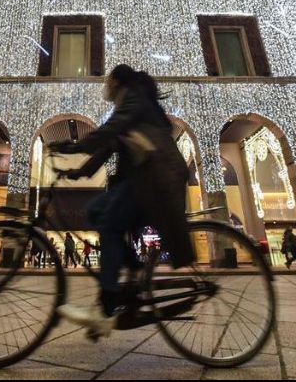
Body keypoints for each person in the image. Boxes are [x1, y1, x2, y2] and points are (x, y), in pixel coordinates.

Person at [49, 64, 194, 335]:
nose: (105, 85)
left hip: (153, 180)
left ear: (116, 81)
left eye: (107, 80)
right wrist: (76, 171)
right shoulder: (128, 106)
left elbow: (110, 130)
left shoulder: (134, 98)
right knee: (94, 212)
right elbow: (107, 149)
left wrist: (75, 145)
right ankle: (135, 269)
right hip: (140, 179)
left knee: (110, 225)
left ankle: (105, 307)